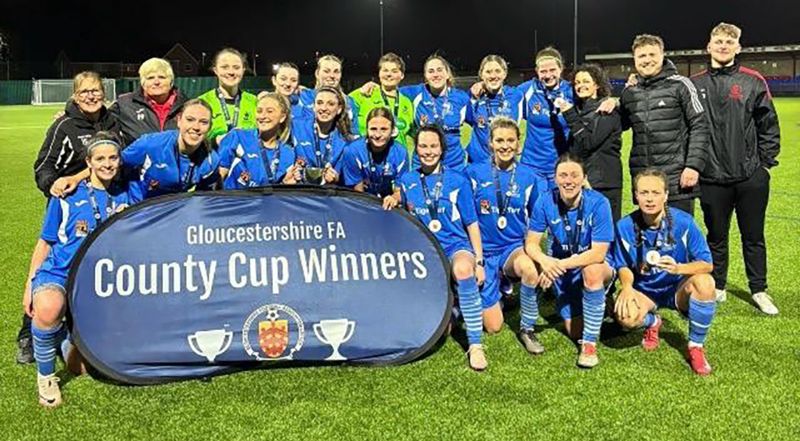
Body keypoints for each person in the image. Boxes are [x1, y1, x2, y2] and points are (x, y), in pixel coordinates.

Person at [26, 131, 142, 407]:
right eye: (100, 158)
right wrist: (30, 284)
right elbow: (45, 242)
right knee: (49, 307)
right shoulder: (67, 194)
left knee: (80, 368)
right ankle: (46, 377)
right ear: (88, 162)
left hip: (102, 281)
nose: (107, 164)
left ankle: (68, 339)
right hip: (60, 273)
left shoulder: (131, 192)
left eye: (113, 158)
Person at [16, 71, 122, 365]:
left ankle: (79, 331)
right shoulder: (64, 124)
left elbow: (118, 157)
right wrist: (56, 185)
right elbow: (44, 165)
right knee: (54, 262)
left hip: (105, 199)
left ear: (104, 93)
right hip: (70, 204)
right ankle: (29, 332)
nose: (91, 96)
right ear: (75, 95)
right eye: (85, 91)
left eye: (96, 90)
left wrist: (86, 176)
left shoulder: (113, 121)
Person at [692, 23, 780, 314]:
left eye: (729, 41)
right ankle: (718, 285)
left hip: (749, 178)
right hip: (712, 177)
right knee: (716, 235)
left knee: (753, 236)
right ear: (709, 46)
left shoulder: (753, 81)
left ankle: (759, 289)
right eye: (718, 40)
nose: (723, 45)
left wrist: (763, 166)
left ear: (738, 48)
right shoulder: (695, 83)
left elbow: (768, 125)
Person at [384, 126, 487, 371]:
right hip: (425, 251)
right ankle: (450, 307)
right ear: (415, 149)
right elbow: (405, 202)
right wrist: (394, 197)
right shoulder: (408, 180)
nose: (428, 152)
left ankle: (475, 345)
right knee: (439, 330)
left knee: (463, 269)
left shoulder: (457, 180)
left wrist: (479, 262)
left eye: (433, 146)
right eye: (422, 146)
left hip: (455, 246)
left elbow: (471, 224)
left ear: (442, 149)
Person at [613, 168, 717, 376]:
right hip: (645, 290)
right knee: (624, 316)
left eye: (655, 193)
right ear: (635, 196)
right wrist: (626, 287)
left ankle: (696, 346)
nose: (650, 199)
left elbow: (707, 264)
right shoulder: (624, 226)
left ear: (666, 195)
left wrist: (679, 268)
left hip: (676, 288)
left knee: (705, 283)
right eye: (644, 193)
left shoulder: (684, 223)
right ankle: (653, 321)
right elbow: (623, 264)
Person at [524, 153, 615, 368]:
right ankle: (600, 306)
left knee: (591, 272)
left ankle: (590, 345)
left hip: (593, 266)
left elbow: (598, 254)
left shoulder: (599, 203)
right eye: (563, 175)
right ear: (555, 179)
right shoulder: (545, 201)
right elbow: (531, 244)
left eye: (575, 175)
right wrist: (545, 262)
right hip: (561, 270)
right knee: (574, 331)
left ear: (584, 178)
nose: (568, 181)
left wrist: (557, 265)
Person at [465, 118, 546, 336]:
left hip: (512, 247)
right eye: (499, 140)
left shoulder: (529, 177)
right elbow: (466, 217)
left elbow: (538, 220)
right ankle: (498, 288)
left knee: (528, 268)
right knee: (493, 327)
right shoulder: (473, 173)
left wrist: (539, 256)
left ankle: (527, 326)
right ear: (490, 143)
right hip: (484, 251)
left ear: (518, 144)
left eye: (510, 140)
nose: (505, 146)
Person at [619, 34, 709, 215]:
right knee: (649, 237)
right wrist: (612, 103)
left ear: (662, 56)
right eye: (642, 56)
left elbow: (700, 125)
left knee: (677, 236)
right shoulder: (629, 93)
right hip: (644, 180)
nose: (647, 60)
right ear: (635, 60)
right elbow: (619, 125)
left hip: (676, 180)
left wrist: (693, 166)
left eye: (652, 54)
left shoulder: (681, 85)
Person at [556, 63, 623, 222]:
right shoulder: (582, 110)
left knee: (606, 233)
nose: (580, 86)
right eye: (577, 83)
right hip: (585, 179)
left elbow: (588, 142)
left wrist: (569, 114)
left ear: (597, 84)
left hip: (604, 182)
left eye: (585, 81)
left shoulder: (606, 110)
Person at [121, 99, 220, 198]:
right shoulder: (151, 144)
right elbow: (116, 165)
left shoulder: (211, 160)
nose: (196, 127)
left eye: (203, 122)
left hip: (176, 209)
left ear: (210, 127)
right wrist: (121, 200)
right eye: (190, 120)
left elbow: (205, 198)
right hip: (141, 207)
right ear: (179, 121)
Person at [400, 54, 471, 171]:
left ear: (447, 74)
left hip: (454, 164)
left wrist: (481, 85)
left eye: (439, 70)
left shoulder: (461, 98)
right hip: (422, 163)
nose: (436, 75)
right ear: (425, 76)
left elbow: (479, 124)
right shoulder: (415, 93)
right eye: (431, 71)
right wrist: (370, 87)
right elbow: (389, 90)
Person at [219, 92, 299, 189]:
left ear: (282, 117)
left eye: (269, 111)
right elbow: (218, 178)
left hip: (268, 203)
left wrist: (285, 183)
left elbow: (279, 192)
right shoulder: (238, 137)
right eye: (259, 111)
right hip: (234, 202)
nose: (262, 116)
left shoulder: (288, 153)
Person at [110, 57, 188, 146]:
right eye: (150, 78)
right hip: (138, 159)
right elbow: (104, 124)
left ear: (171, 81)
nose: (156, 82)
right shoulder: (124, 104)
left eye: (162, 77)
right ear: (143, 82)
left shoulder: (186, 106)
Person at [292, 86, 358, 185]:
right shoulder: (296, 126)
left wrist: (337, 178)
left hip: (331, 194)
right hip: (301, 192)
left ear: (339, 109)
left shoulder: (346, 140)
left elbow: (350, 176)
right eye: (319, 103)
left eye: (330, 104)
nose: (324, 108)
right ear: (313, 107)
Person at [465, 55, 524, 164]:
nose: (493, 76)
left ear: (504, 73)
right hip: (478, 162)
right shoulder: (472, 97)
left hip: (506, 162)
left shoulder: (516, 96)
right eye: (488, 72)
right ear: (481, 74)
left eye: (497, 71)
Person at [349, 53, 414, 147]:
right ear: (379, 73)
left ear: (402, 75)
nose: (389, 74)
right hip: (366, 154)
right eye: (385, 70)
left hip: (395, 157)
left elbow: (410, 135)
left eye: (394, 71)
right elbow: (338, 103)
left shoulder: (407, 103)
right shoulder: (364, 94)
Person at [197, 48, 258, 148]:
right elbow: (193, 138)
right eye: (225, 67)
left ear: (243, 70)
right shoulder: (203, 102)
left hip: (248, 160)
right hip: (213, 161)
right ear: (215, 70)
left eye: (236, 67)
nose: (231, 72)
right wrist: (214, 142)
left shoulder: (254, 101)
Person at [342, 107, 408, 197]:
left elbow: (399, 191)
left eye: (384, 129)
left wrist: (393, 199)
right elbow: (357, 194)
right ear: (366, 130)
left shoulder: (400, 152)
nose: (378, 135)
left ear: (392, 131)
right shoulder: (353, 151)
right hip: (360, 199)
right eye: (373, 129)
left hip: (387, 198)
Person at [298, 54, 360, 134]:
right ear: (317, 74)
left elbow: (354, 134)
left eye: (336, 72)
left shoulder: (349, 102)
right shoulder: (303, 96)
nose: (332, 76)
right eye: (326, 71)